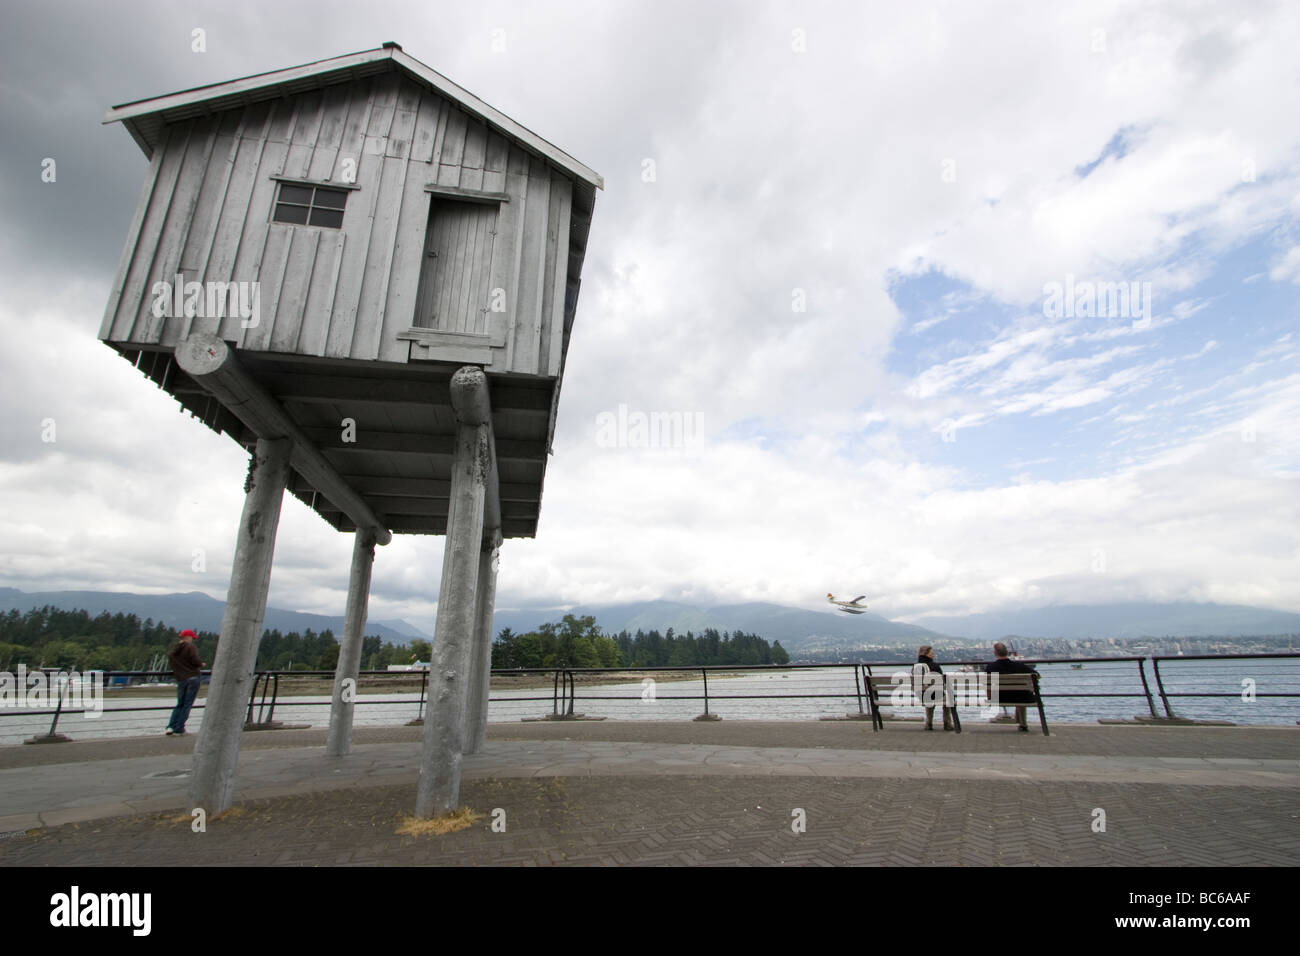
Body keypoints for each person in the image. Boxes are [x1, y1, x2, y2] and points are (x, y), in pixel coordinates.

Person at [985, 641, 1034, 731]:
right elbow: (1036, 675)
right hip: (1021, 698)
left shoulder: (991, 667)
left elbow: (988, 686)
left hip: (999, 698)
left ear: (995, 653)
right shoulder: (1020, 666)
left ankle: (1021, 722)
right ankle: (1023, 724)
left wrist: (990, 698)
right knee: (1021, 694)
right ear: (1007, 652)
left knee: (1017, 694)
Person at [165, 629, 204, 735]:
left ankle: (170, 727)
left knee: (180, 704)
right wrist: (201, 664)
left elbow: (173, 662)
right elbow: (194, 659)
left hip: (181, 679)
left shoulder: (174, 651)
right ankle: (180, 728)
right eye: (192, 638)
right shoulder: (190, 647)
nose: (192, 640)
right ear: (187, 637)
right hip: (192, 677)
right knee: (187, 704)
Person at [913, 645, 952, 731]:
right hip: (935, 694)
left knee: (928, 696)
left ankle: (928, 723)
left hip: (921, 695)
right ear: (926, 654)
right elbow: (942, 682)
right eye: (932, 653)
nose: (933, 655)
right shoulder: (934, 666)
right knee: (947, 699)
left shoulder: (916, 667)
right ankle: (947, 723)